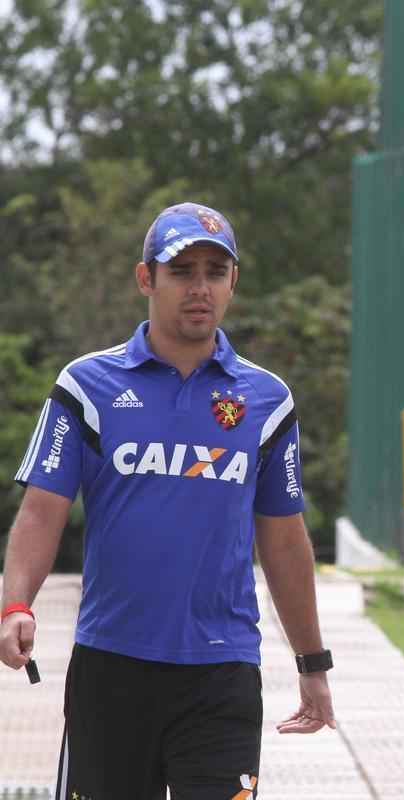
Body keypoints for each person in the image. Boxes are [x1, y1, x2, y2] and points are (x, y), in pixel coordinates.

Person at [0, 202, 336, 799]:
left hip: (222, 674)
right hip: (112, 668)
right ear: (145, 278)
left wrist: (312, 664)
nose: (199, 287)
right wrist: (15, 604)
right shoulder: (87, 386)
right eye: (181, 271)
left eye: (214, 270)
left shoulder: (267, 400)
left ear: (234, 281)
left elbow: (284, 538)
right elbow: (42, 509)